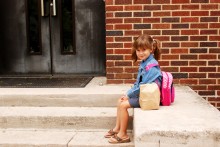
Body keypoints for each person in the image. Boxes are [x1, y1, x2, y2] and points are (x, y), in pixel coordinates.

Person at [104, 34, 162, 144]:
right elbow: (138, 83)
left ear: (151, 49)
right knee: (120, 101)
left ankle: (123, 135)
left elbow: (142, 86)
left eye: (144, 50)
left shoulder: (152, 67)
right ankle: (117, 128)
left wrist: (129, 95)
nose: (140, 53)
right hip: (144, 94)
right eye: (138, 50)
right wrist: (128, 93)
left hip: (150, 98)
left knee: (123, 105)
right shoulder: (145, 63)